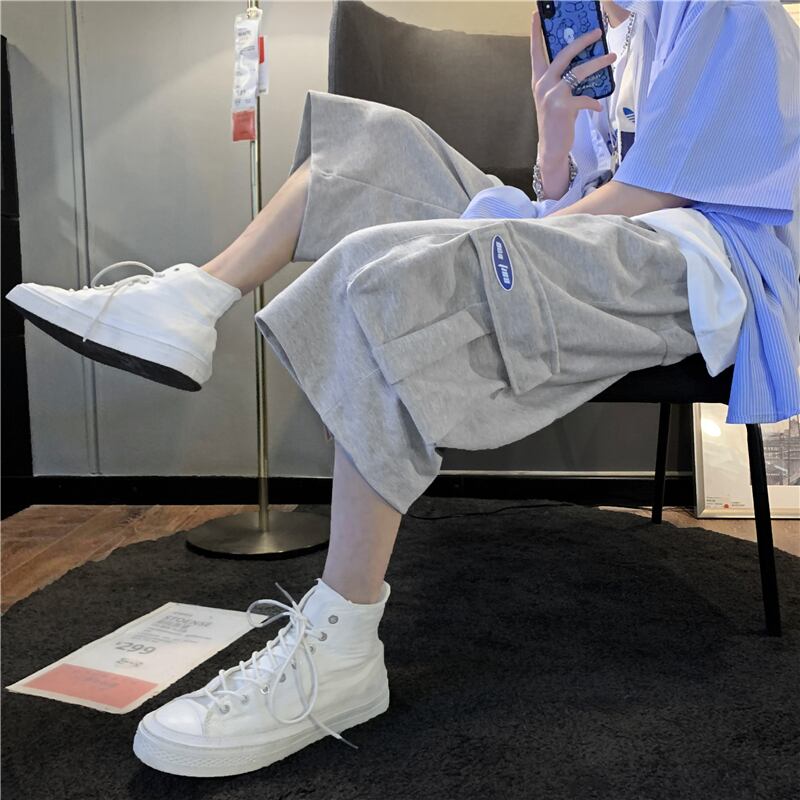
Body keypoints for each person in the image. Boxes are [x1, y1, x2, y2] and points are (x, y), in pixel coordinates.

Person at [5, 0, 798, 779]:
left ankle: (342, 645)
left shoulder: (726, 12)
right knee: (371, 144)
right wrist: (552, 126)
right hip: (599, 230)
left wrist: (484, 237)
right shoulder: (609, 27)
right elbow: (572, 194)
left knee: (387, 271)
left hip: (692, 263)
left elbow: (653, 199)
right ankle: (189, 301)